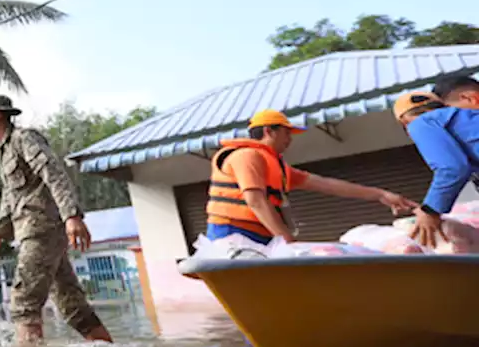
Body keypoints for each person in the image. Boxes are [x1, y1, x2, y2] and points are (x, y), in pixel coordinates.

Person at [0, 95, 113, 345]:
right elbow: (9, 197)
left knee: (23, 303)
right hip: (34, 232)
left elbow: (52, 171)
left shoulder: (24, 138)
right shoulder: (3, 152)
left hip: (42, 229)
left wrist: (71, 215)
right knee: (73, 307)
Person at [204, 109, 416, 245]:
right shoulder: (246, 156)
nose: (290, 139)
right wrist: (285, 240)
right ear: (270, 131)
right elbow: (256, 201)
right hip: (232, 233)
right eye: (287, 133)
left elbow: (326, 184)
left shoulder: (279, 167)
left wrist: (380, 195)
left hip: (263, 235)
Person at [393, 89, 479, 248]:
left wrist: (430, 210)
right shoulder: (467, 118)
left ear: (404, 122)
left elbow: (452, 169)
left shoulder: (421, 123)